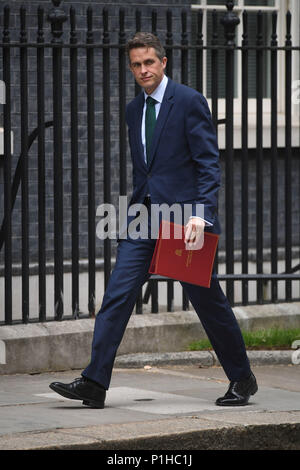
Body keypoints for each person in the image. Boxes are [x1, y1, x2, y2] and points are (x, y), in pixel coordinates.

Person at [50, 32, 257, 409]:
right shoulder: (134, 109)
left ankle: (242, 378)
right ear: (131, 69)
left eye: (149, 62)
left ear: (163, 62)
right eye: (136, 64)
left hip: (183, 222)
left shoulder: (190, 101)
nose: (143, 70)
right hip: (145, 218)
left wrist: (200, 215)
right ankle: (95, 382)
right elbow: (146, 172)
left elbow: (208, 164)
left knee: (207, 302)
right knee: (116, 294)